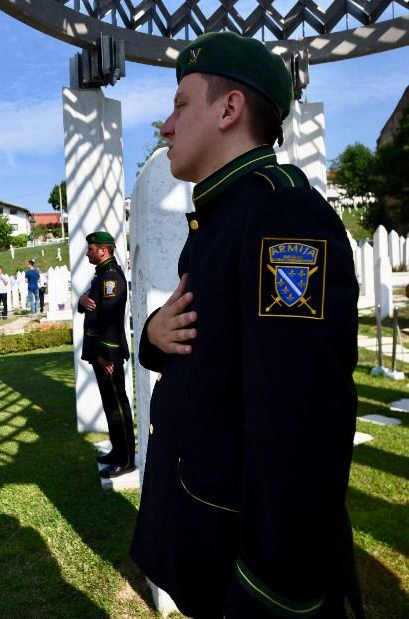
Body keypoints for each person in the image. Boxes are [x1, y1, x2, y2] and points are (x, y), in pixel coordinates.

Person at [130, 31, 362, 618]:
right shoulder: (224, 217)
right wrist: (152, 337)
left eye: (181, 105)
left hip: (246, 571)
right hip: (205, 544)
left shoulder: (281, 217)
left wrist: (272, 594)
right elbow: (210, 354)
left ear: (229, 110)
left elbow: (301, 426)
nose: (165, 125)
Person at [77, 231, 135, 478]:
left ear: (103, 250)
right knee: (109, 404)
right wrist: (81, 301)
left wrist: (106, 355)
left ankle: (127, 460)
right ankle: (117, 450)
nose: (87, 252)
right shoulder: (102, 275)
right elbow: (92, 306)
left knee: (117, 407)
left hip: (106, 355)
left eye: (90, 248)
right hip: (99, 354)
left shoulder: (111, 277)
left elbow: (112, 319)